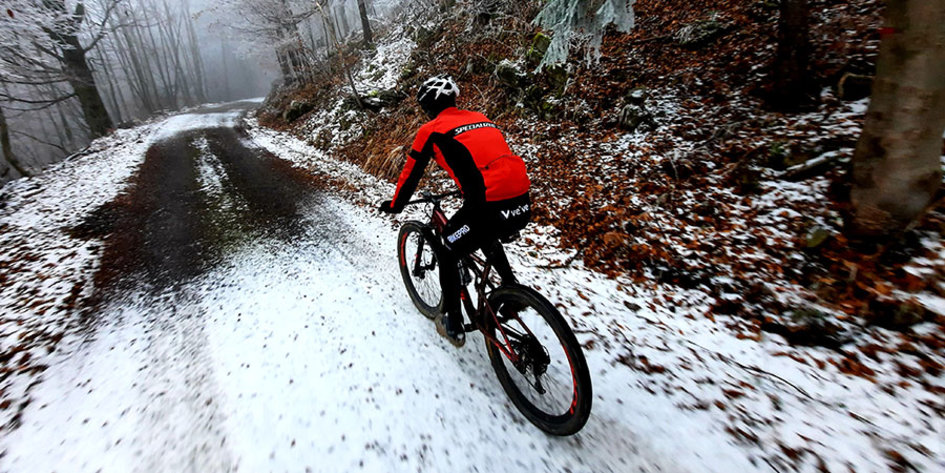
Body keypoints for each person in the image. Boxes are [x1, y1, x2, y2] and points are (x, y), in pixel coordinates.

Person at [379, 75, 531, 347]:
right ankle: (513, 293)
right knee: (485, 231)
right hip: (521, 198)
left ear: (427, 106)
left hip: (488, 203)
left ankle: (453, 321)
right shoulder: (480, 117)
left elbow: (411, 174)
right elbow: (485, 160)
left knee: (449, 245)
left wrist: (396, 205)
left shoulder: (431, 130)